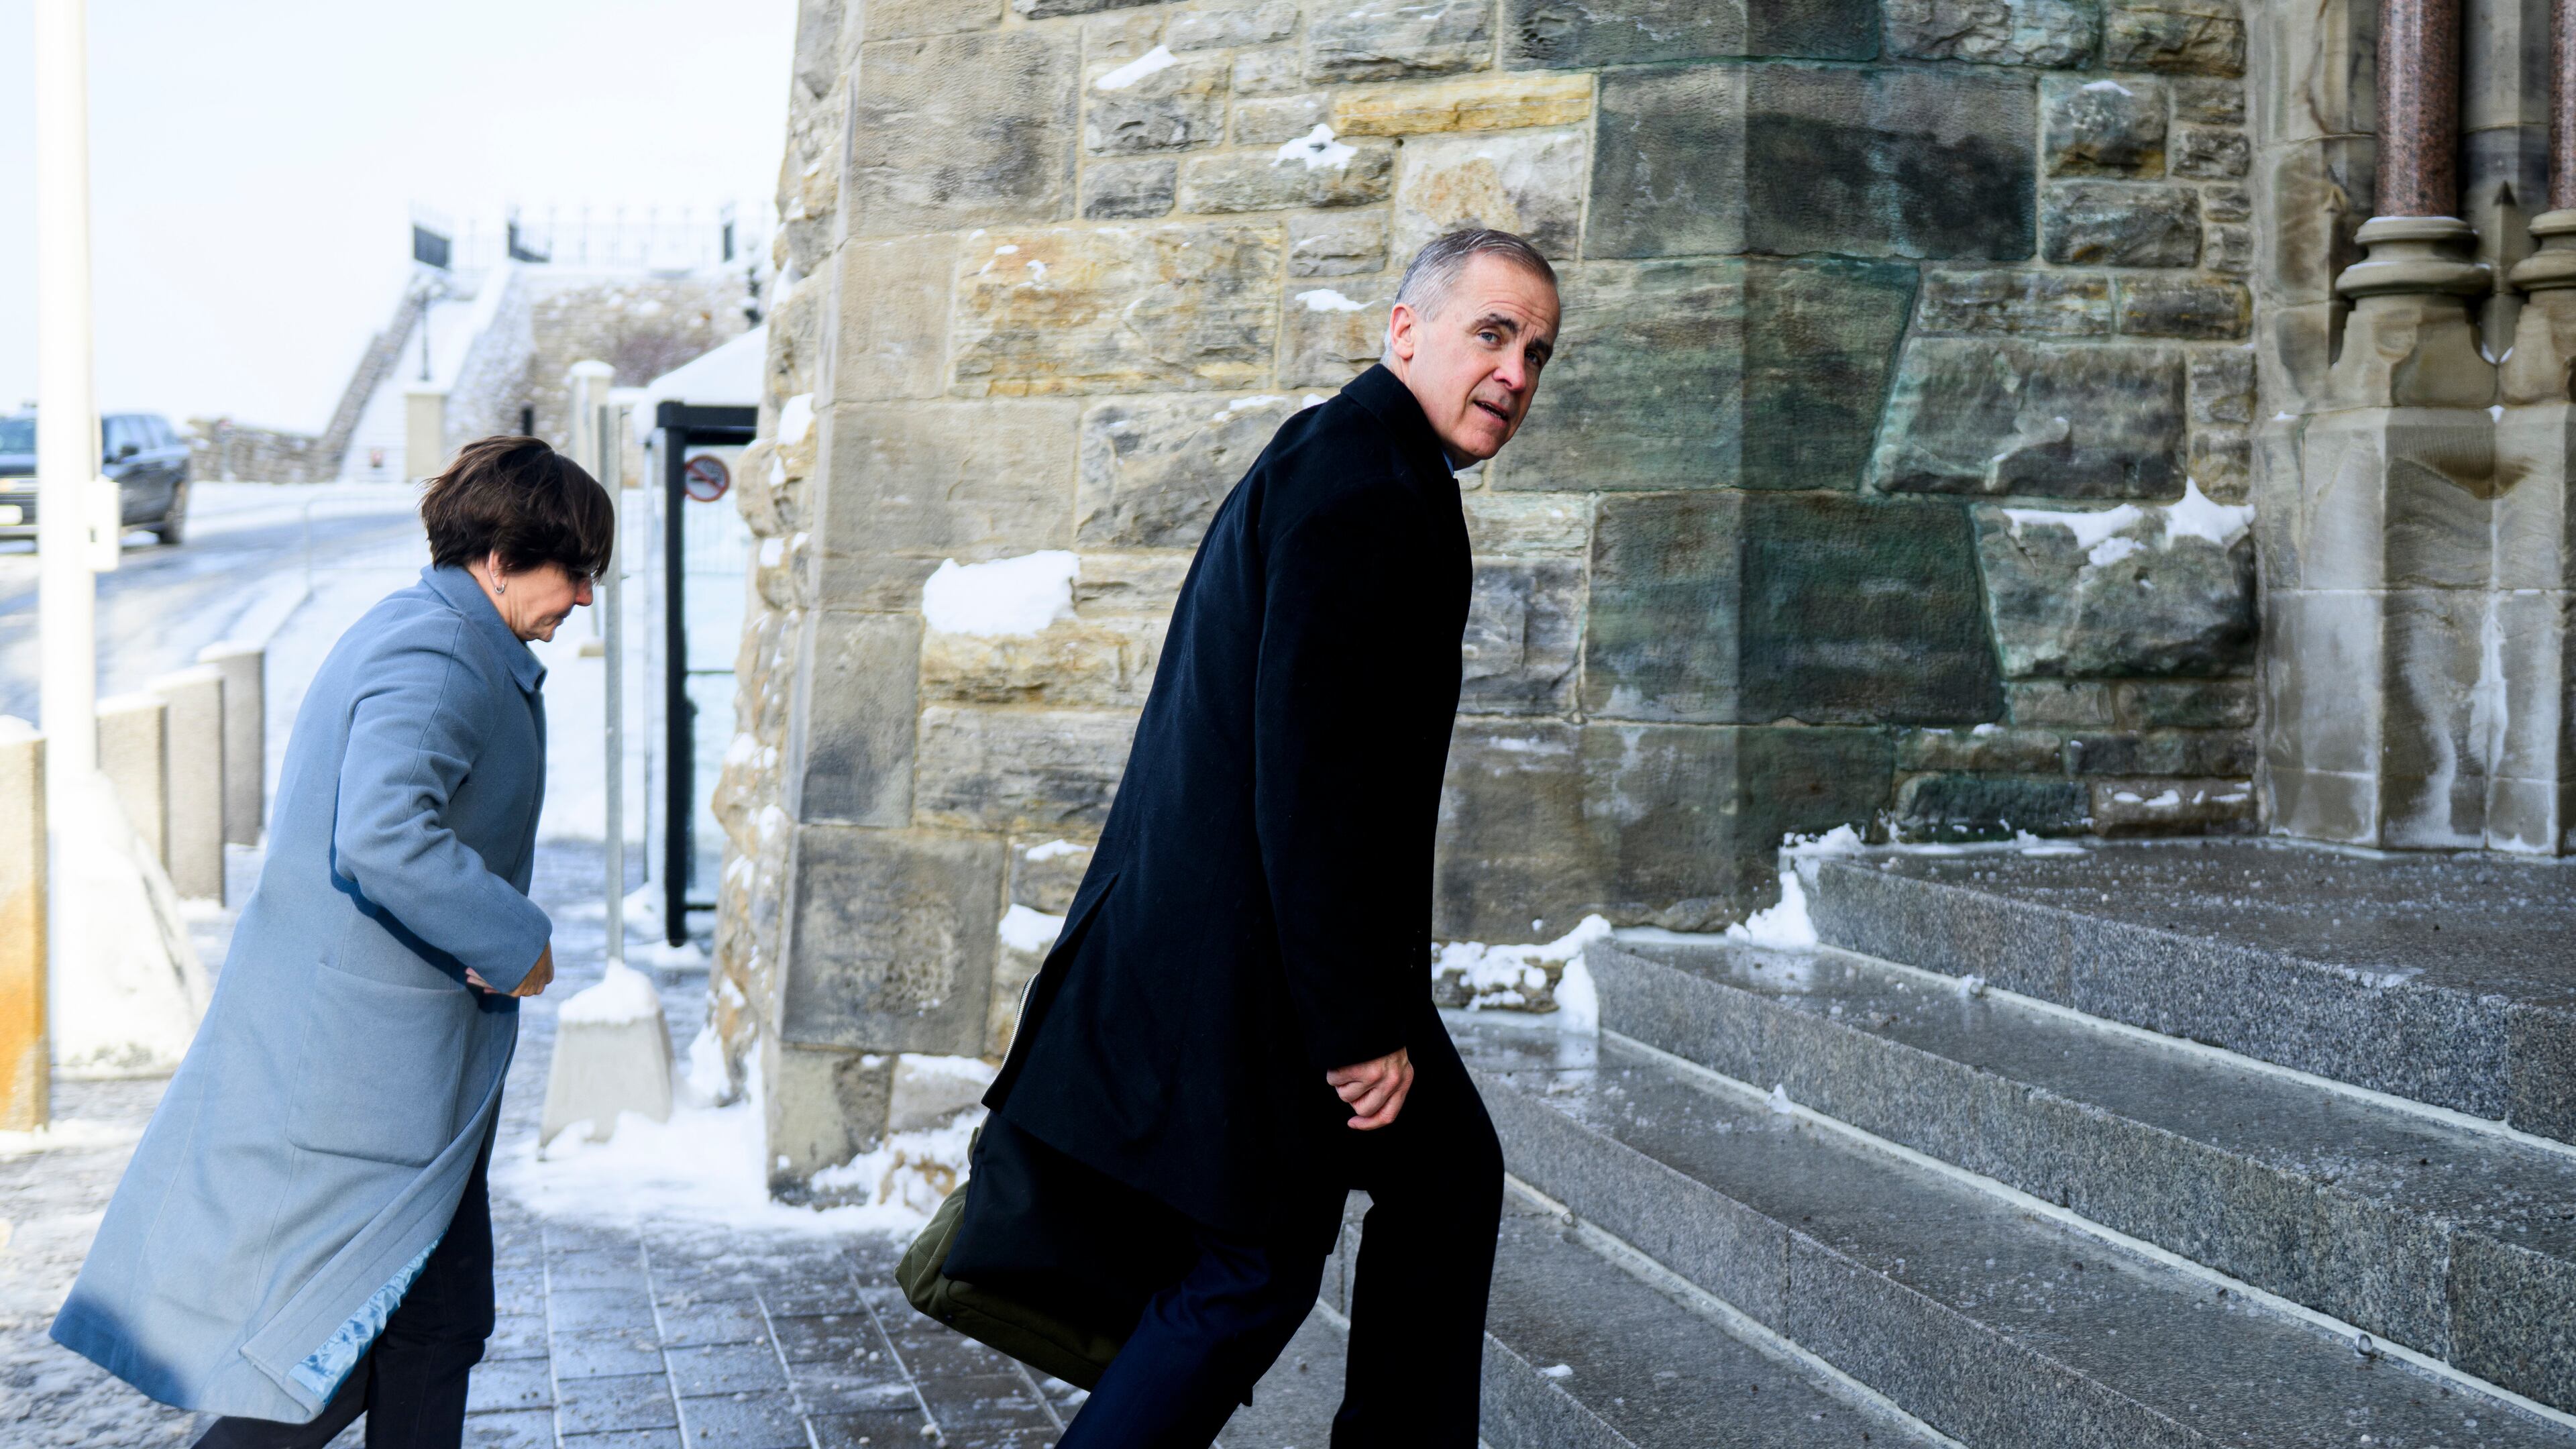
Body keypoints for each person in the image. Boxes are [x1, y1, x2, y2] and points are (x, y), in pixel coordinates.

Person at [981, 229, 1563, 1446]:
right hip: (1260, 975)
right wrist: (1359, 1033)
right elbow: (1317, 780)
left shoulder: (1354, 463)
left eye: (1538, 353)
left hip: (1249, 958)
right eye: (1493, 334)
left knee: (1372, 1214)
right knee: (1261, 1262)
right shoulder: (1366, 491)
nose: (1516, 372)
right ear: (1407, 329)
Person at [52, 435, 610, 1448]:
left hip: (391, 1069)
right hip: (371, 1078)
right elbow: (384, 834)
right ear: (497, 559)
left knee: (431, 1326)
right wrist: (514, 937)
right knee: (354, 1343)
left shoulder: (441, 633)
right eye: (572, 571)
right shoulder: (442, 653)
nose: (581, 597)